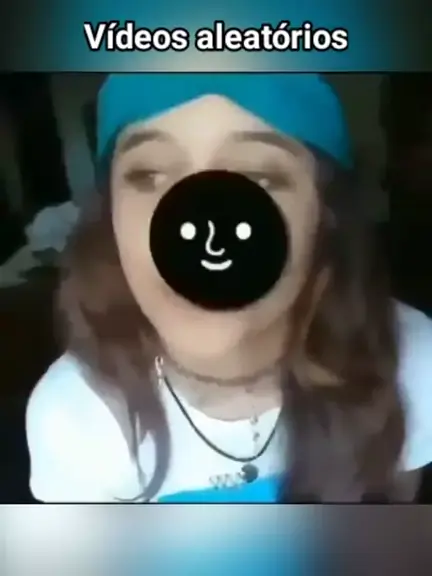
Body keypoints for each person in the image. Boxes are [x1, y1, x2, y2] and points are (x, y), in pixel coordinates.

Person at [25, 73, 432, 503]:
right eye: (149, 174)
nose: (208, 235)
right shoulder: (74, 415)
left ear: (325, 218)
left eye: (259, 176)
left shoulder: (411, 358)